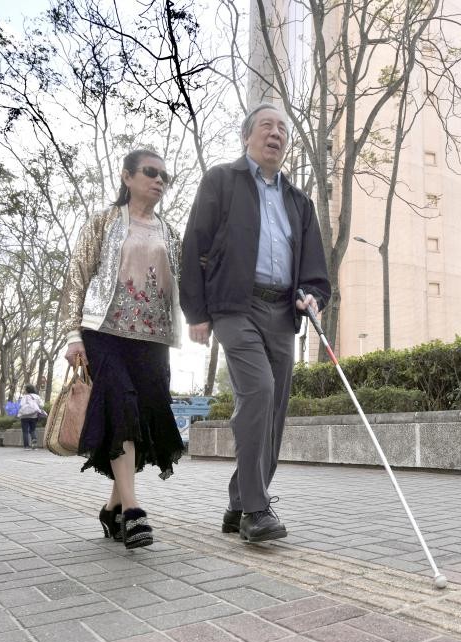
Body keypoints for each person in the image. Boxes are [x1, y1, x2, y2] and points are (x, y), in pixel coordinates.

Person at [180, 102, 330, 543]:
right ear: (247, 136)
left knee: (274, 411)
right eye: (266, 126)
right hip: (234, 307)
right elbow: (195, 243)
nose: (276, 134)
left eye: (282, 129)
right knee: (259, 390)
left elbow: (315, 271)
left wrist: (313, 296)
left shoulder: (299, 202)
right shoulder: (222, 181)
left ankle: (237, 502)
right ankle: (256, 511)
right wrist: (197, 312)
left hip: (281, 312)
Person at [59, 148, 184, 550]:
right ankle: (132, 510)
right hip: (104, 332)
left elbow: (191, 280)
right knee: (121, 404)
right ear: (127, 177)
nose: (159, 181)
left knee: (142, 416)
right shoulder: (104, 222)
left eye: (166, 176)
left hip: (151, 338)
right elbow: (76, 278)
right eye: (151, 173)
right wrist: (71, 335)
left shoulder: (170, 233)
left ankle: (112, 507)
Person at [17, 384, 46, 449]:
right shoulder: (37, 397)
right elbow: (41, 405)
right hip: (34, 416)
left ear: (27, 390)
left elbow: (21, 405)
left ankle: (26, 446)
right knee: (32, 430)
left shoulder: (25, 397)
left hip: (24, 416)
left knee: (25, 431)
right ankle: (34, 440)